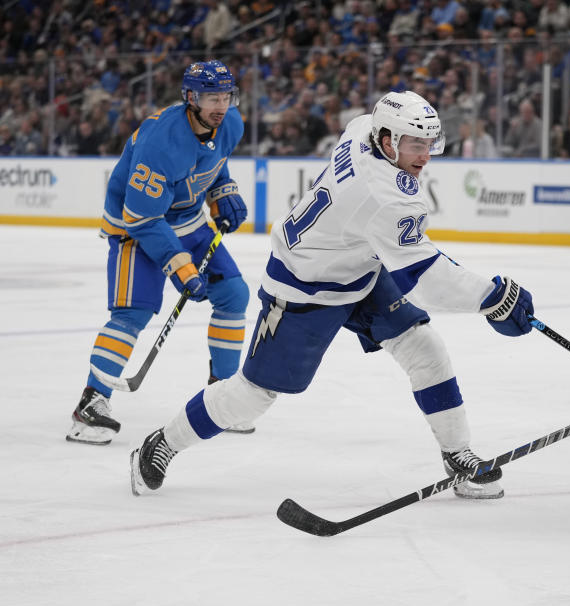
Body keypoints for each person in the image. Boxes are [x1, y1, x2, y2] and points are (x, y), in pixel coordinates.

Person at [129, 90, 535, 501]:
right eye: (417, 144)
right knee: (252, 396)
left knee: (424, 348)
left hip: (357, 265)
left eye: (430, 144)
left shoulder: (363, 130)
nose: (426, 156)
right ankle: (163, 441)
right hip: (304, 285)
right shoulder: (384, 196)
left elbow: (408, 251)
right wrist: (492, 297)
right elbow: (425, 278)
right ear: (390, 141)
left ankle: (456, 454)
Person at [68, 60, 252, 445]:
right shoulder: (160, 142)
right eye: (210, 97)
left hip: (186, 219)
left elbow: (213, 163)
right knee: (132, 313)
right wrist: (178, 265)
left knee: (234, 295)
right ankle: (91, 403)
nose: (220, 105)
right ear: (190, 98)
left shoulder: (231, 122)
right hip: (135, 225)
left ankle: (222, 399)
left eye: (225, 96)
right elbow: (141, 217)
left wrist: (224, 190)